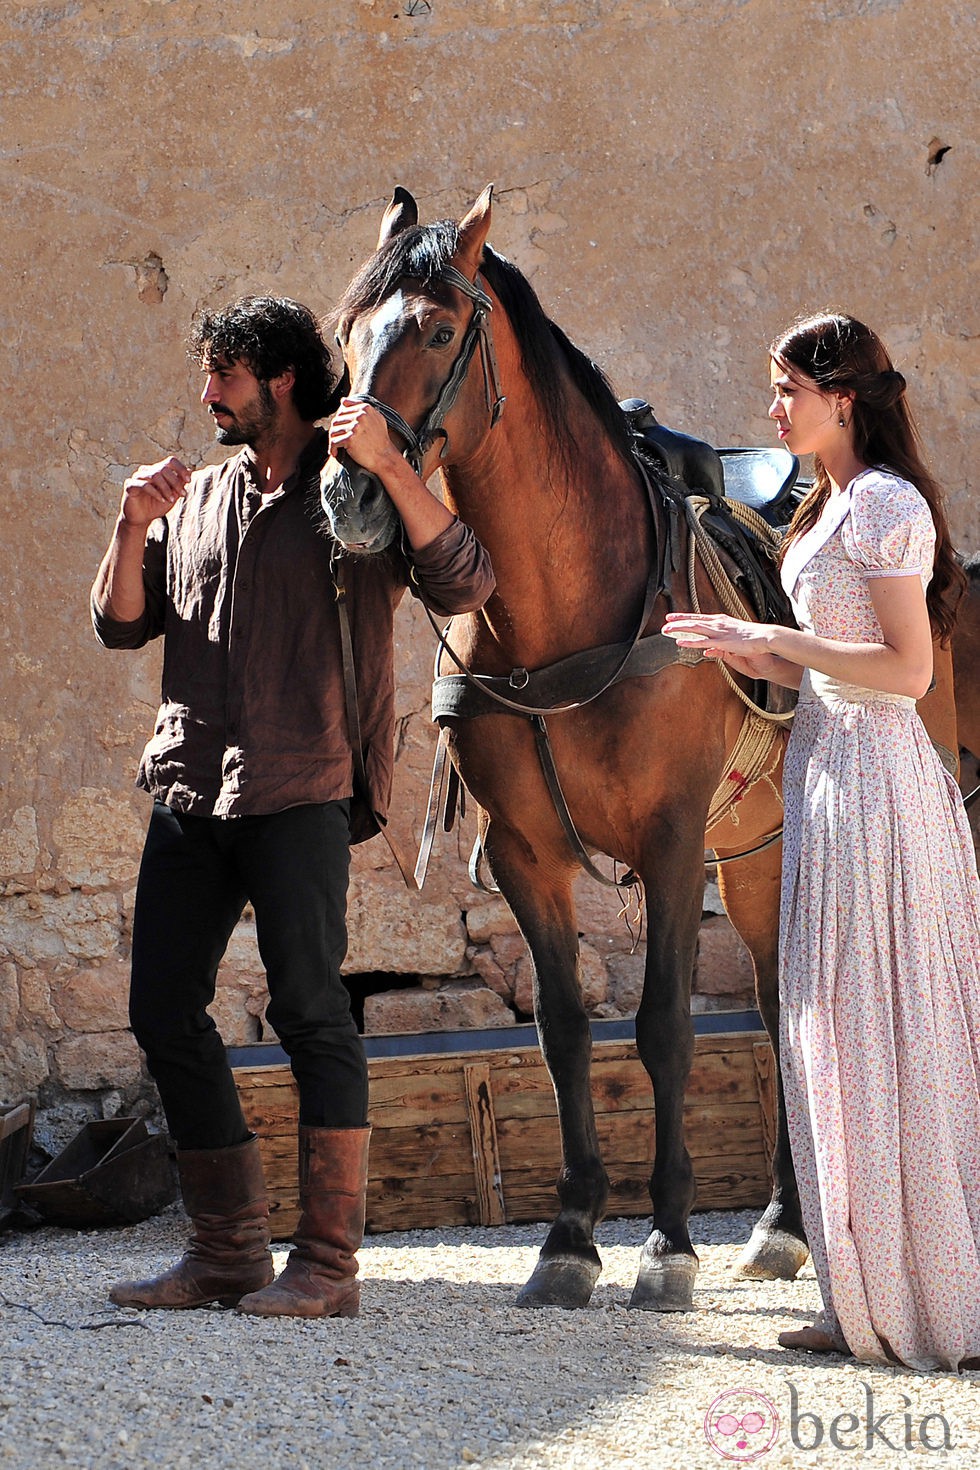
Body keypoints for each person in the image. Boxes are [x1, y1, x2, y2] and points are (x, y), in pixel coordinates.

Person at [91, 295, 495, 1319]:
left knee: (312, 1009)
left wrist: (398, 470)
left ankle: (326, 1266)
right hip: (190, 782)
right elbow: (118, 625)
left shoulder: (353, 490)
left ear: (276, 379)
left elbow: (463, 583)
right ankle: (225, 1252)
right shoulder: (199, 497)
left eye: (222, 375)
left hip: (303, 782)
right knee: (160, 1010)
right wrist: (131, 522)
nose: (206, 396)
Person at [664, 311, 980, 1371]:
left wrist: (765, 637)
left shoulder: (885, 504)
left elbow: (904, 673)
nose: (771, 408)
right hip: (824, 778)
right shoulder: (821, 508)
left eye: (785, 388)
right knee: (832, 1038)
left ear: (841, 395)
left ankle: (932, 1297)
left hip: (879, 787)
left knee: (893, 1034)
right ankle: (861, 1294)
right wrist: (731, 647)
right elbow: (822, 661)